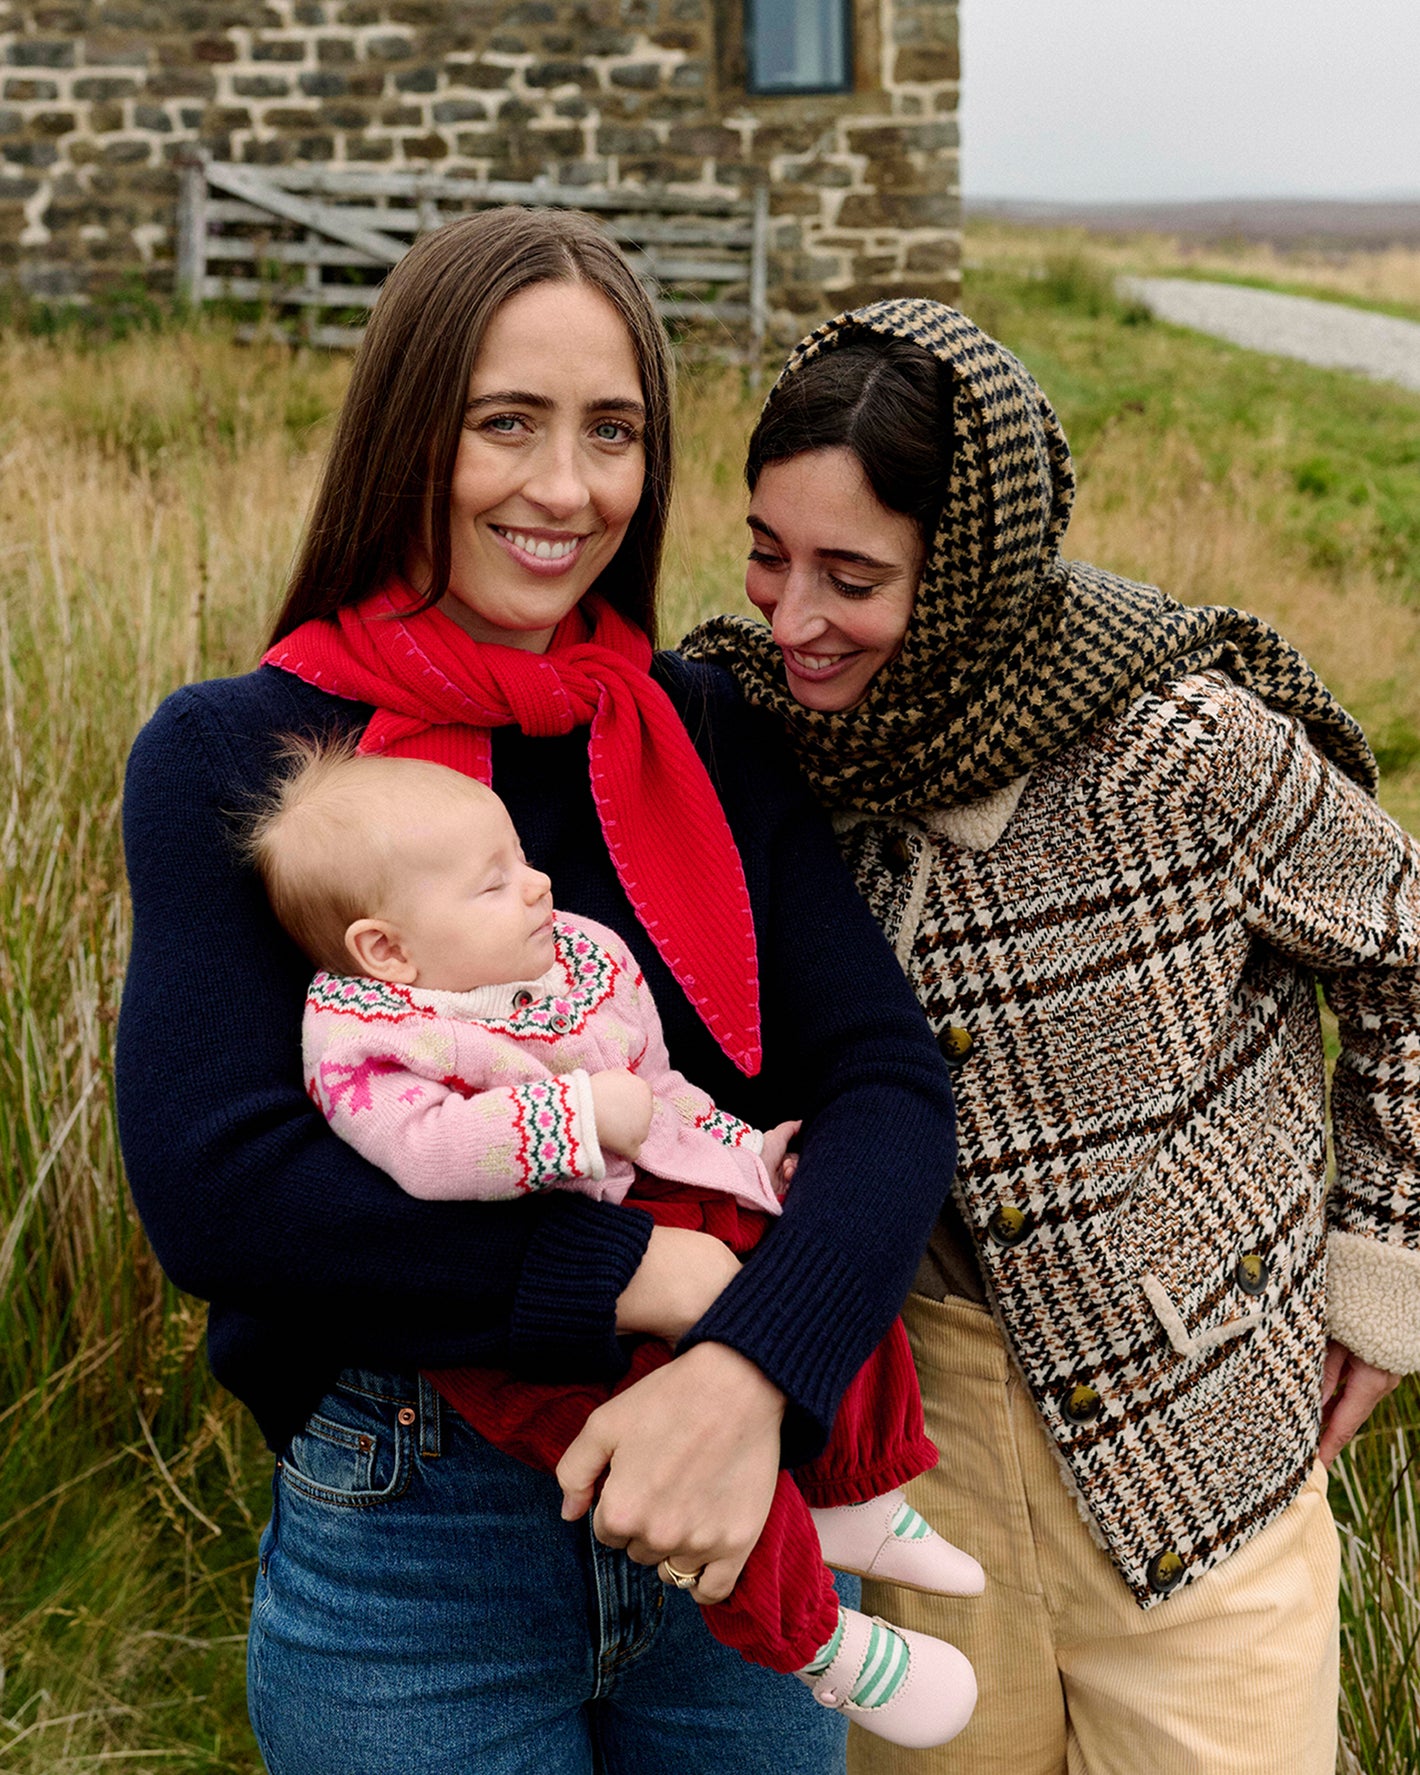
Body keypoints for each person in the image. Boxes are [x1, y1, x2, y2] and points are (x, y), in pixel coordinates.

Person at [115, 212, 966, 1775]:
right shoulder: (250, 759)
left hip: (740, 1501)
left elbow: (891, 1091)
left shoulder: (712, 726)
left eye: (615, 432)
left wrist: (747, 1365)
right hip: (421, 1540)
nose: (566, 489)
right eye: (506, 421)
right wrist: (652, 1281)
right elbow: (221, 1189)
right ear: (407, 429)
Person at [683, 297, 1420, 1775]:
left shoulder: (1184, 750)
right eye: (768, 551)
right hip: (896, 1462)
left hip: (1203, 1442)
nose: (793, 616)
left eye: (854, 574)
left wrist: (1381, 1270)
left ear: (966, 572)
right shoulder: (748, 735)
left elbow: (1408, 953)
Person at [240, 741, 982, 1749]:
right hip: (518, 1350)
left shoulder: (569, 961)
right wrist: (579, 1113)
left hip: (647, 1210)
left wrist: (745, 1158)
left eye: (521, 856)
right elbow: (430, 1152)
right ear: (388, 950)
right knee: (686, 1486)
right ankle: (821, 1641)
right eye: (495, 880)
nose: (538, 881)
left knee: (809, 1263)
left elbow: (664, 1091)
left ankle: (854, 1484)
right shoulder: (375, 1035)